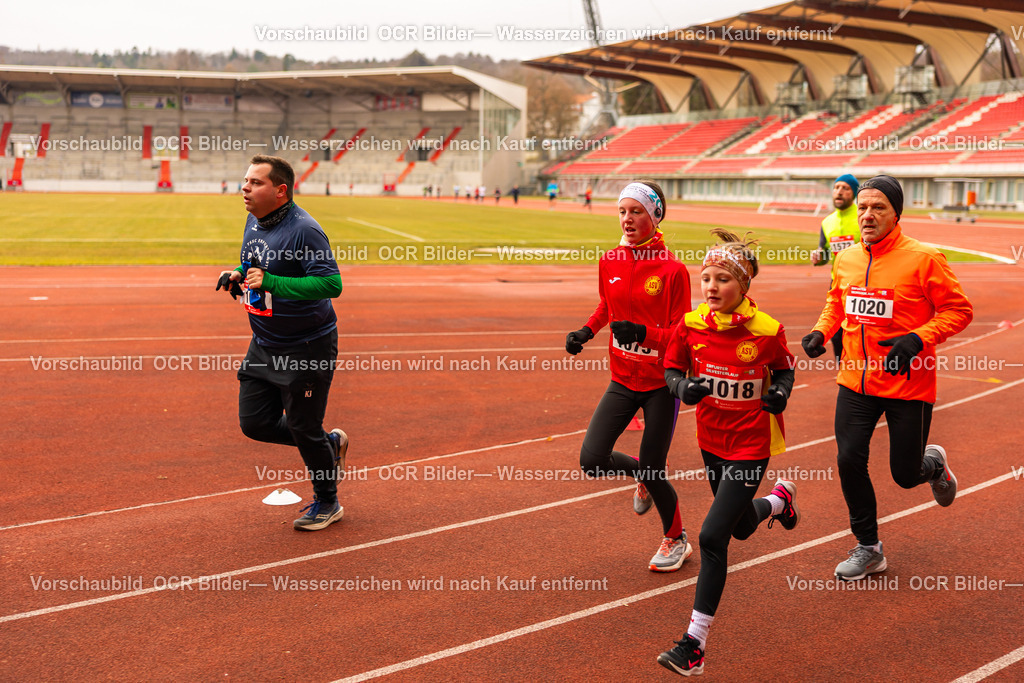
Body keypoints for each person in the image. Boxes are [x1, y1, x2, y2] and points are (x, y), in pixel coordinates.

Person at [801, 174, 973, 581]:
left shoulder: (924, 258)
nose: (867, 215)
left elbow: (959, 311)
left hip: (907, 384)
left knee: (905, 475)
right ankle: (868, 547)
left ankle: (933, 465)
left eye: (878, 207)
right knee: (848, 460)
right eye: (862, 207)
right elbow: (836, 302)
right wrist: (821, 331)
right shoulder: (846, 258)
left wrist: (917, 338)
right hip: (855, 381)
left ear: (897, 214)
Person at [656, 229, 799, 677]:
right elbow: (671, 367)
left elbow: (785, 370)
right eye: (706, 278)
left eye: (722, 279)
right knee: (739, 527)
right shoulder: (691, 325)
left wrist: (779, 394)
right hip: (711, 442)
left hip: (751, 446)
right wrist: (682, 387)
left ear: (743, 285)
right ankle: (779, 501)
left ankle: (694, 646)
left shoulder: (767, 331)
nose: (711, 287)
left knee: (712, 538)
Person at [216, 154, 348, 532]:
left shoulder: (304, 230)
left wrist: (271, 282)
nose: (245, 188)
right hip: (264, 342)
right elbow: (258, 262)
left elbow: (331, 284)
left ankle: (328, 501)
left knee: (304, 427)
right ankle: (327, 445)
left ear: (280, 190)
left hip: (306, 347)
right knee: (255, 423)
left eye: (255, 182)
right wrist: (238, 273)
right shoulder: (254, 220)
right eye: (245, 180)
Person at [566, 181, 693, 572]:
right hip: (622, 379)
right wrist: (586, 331)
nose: (627, 219)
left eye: (636, 211)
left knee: (655, 469)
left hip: (661, 384)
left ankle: (677, 540)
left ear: (655, 216)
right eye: (622, 211)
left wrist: (643, 334)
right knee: (592, 459)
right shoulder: (610, 260)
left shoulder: (673, 271)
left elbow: (683, 333)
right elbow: (607, 305)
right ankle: (641, 473)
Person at [811, 174, 860, 361]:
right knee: (837, 335)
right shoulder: (827, 222)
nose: (839, 191)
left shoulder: (863, 216)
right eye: (836, 187)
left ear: (854, 193)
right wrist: (819, 257)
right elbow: (825, 254)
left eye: (845, 188)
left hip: (864, 283)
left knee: (862, 333)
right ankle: (844, 370)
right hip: (838, 284)